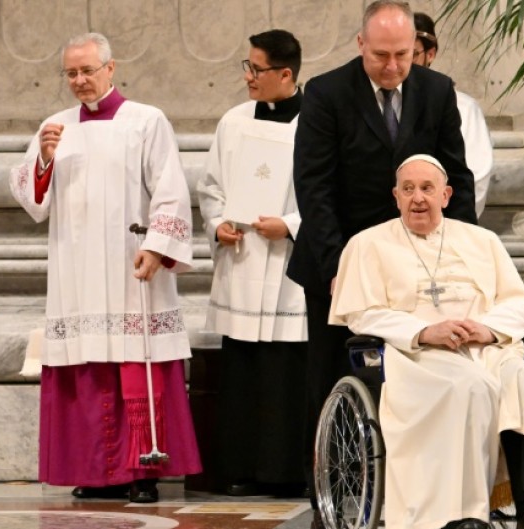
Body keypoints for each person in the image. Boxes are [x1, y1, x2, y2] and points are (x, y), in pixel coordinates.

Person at [286, 0, 477, 516]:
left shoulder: (436, 92)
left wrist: (466, 259)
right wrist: (336, 271)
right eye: (381, 56)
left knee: (419, 372)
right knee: (328, 377)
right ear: (360, 45)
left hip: (417, 265)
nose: (393, 67)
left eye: (403, 55)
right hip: (341, 262)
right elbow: (315, 188)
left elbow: (455, 181)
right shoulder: (326, 94)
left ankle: (417, 489)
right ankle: (327, 491)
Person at [9, 32, 201, 503]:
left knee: (137, 367)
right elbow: (33, 201)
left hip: (131, 267)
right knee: (87, 367)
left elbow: (171, 189)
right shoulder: (54, 126)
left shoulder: (146, 121)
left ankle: (141, 471)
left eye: (87, 70)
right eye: (70, 73)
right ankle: (94, 470)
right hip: (77, 273)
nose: (79, 80)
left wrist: (157, 247)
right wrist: (45, 162)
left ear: (110, 68)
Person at [329, 154, 524, 529]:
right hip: (415, 356)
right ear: (396, 196)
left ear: (446, 195)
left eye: (426, 188)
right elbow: (361, 313)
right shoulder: (367, 244)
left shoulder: (482, 240)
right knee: (470, 387)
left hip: (486, 348)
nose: (417, 198)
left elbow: (517, 302)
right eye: (408, 189)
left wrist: (488, 329)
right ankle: (464, 512)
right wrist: (422, 331)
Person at [197, 29, 307, 497]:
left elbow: (329, 195)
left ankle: (287, 473)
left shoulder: (318, 124)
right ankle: (239, 468)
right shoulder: (234, 122)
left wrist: (290, 225)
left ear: (286, 74)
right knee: (242, 372)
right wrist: (218, 223)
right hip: (242, 262)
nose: (248, 77)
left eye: (256, 69)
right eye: (247, 67)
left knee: (286, 373)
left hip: (288, 270)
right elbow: (211, 187)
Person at [413, 12, 495, 218]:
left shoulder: (464, 108)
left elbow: (476, 176)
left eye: (411, 54)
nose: (399, 64)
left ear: (430, 54)